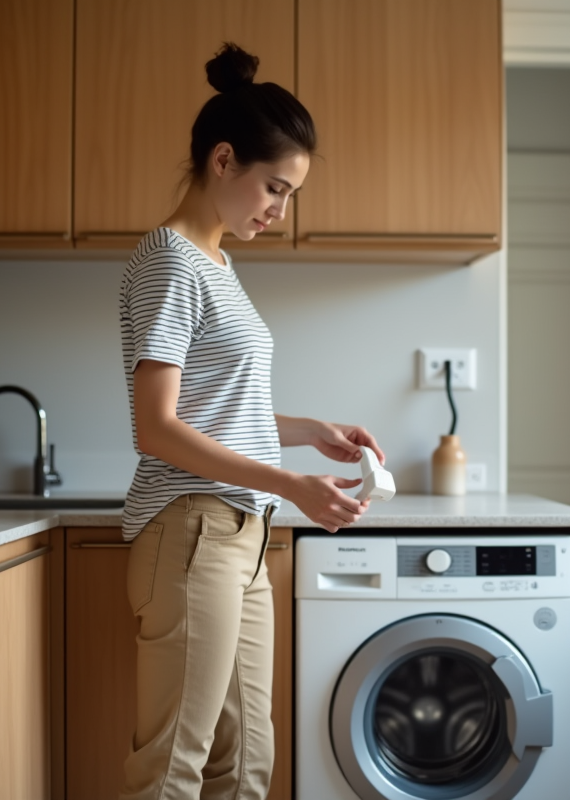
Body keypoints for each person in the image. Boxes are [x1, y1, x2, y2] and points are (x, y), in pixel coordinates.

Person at [118, 42, 385, 800]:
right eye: (275, 186)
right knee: (174, 767)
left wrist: (309, 431)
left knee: (246, 765)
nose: (280, 208)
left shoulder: (218, 265)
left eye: (291, 192)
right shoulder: (170, 260)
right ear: (224, 160)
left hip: (239, 534)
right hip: (192, 531)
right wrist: (291, 481)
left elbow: (217, 409)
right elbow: (157, 428)